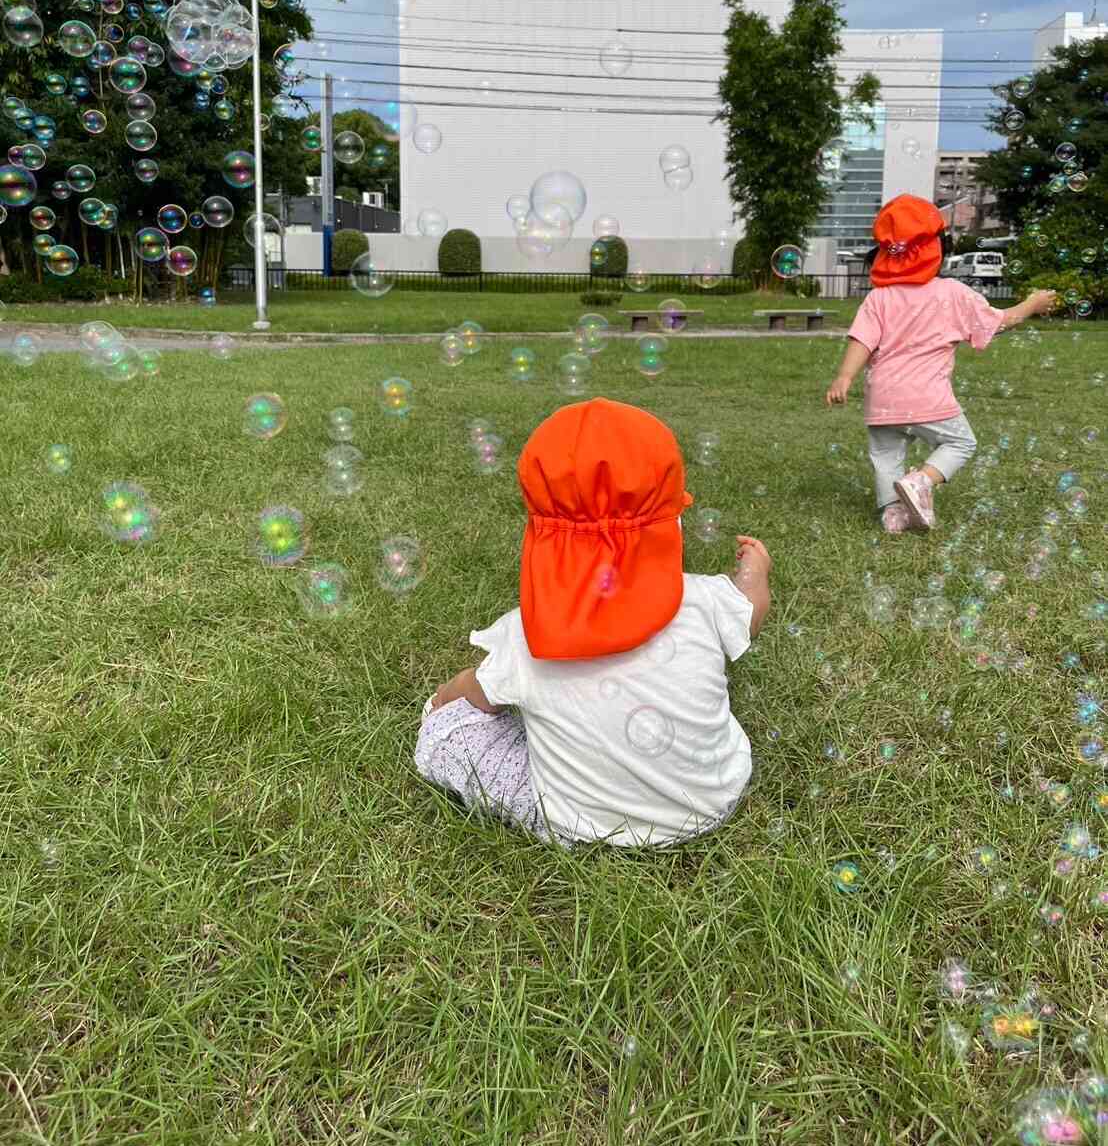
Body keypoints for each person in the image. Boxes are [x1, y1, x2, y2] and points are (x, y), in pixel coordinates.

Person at [414, 398, 771, 848]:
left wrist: (443, 702)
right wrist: (754, 574)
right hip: (715, 798)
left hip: (585, 827)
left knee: (446, 736)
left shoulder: (527, 634)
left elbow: (475, 692)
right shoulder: (705, 598)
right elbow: (751, 612)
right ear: (673, 522)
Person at [826, 194, 1056, 533]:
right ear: (936, 249)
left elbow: (862, 340)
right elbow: (1000, 320)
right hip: (928, 397)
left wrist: (844, 377)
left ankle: (893, 515)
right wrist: (1032, 304)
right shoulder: (952, 293)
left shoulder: (878, 298)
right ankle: (921, 481)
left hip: (883, 398)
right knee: (962, 442)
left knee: (887, 457)